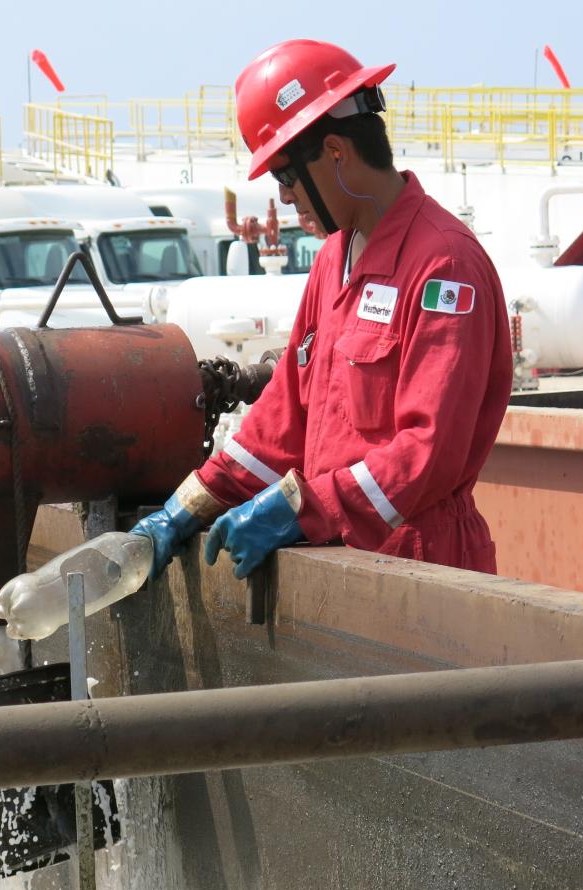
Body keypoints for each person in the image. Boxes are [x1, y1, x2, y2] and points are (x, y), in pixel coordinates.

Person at [132, 38, 513, 581]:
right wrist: (188, 506)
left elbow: (429, 452)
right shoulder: (336, 257)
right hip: (339, 555)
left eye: (285, 176)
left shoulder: (444, 265)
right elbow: (285, 414)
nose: (285, 198)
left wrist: (305, 508)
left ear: (334, 153)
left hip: (424, 565)